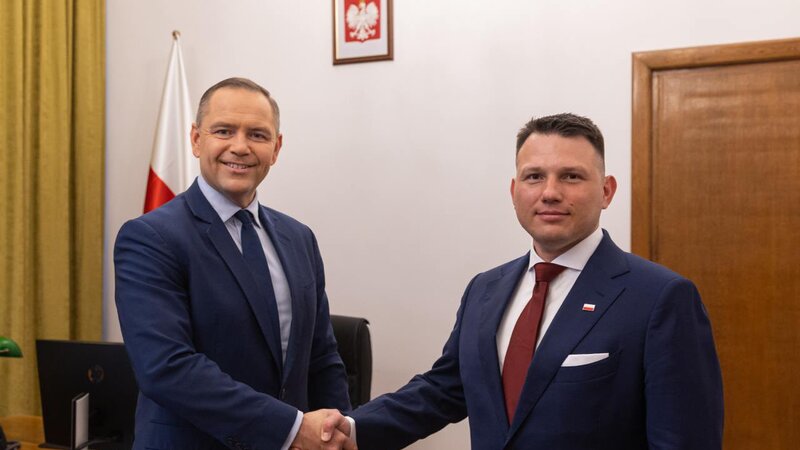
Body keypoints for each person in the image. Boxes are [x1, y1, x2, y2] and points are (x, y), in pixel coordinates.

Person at [335, 113, 723, 449]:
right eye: (534, 176)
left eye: (571, 176)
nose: (550, 193)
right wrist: (349, 430)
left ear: (607, 191)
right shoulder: (484, 290)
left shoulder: (660, 298)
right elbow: (444, 390)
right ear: (514, 191)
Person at [115, 77, 354, 450]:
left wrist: (337, 434)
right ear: (197, 139)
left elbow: (321, 356)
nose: (240, 147)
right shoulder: (150, 237)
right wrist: (292, 430)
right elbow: (167, 367)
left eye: (257, 135)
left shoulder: (299, 238)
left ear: (276, 148)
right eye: (224, 131)